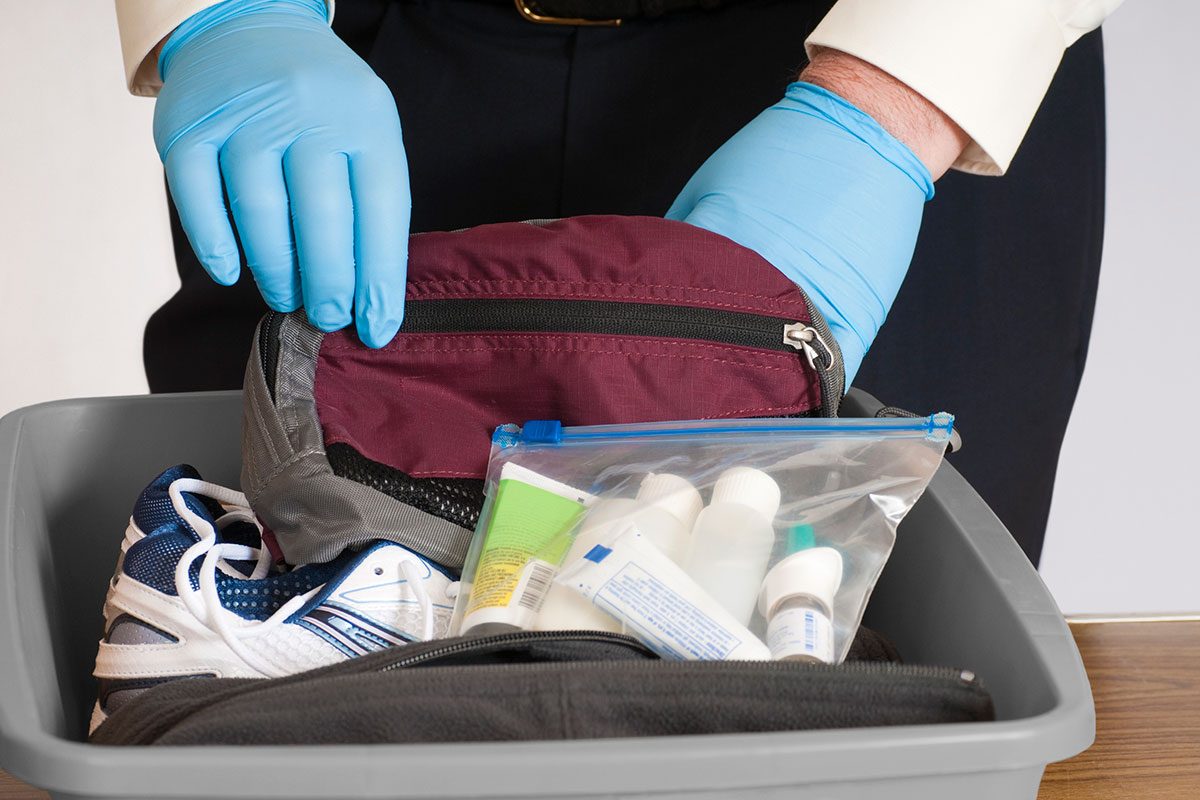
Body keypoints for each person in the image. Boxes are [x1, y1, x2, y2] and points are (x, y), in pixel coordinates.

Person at [114, 0, 1120, 564]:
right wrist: (227, 15)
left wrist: (893, 110)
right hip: (353, 66)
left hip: (880, 70)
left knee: (851, 646)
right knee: (282, 634)